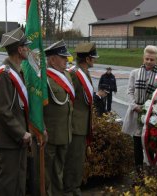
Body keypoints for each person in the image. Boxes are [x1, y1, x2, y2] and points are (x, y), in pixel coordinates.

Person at [0, 27, 33, 196]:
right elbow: (2, 110)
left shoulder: (16, 70)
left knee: (18, 182)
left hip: (17, 138)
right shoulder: (5, 74)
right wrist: (22, 133)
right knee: (6, 185)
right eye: (26, 46)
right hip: (8, 139)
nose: (28, 49)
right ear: (19, 50)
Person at [63, 42, 99, 196]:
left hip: (82, 123)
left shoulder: (83, 72)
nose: (95, 61)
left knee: (78, 160)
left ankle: (75, 187)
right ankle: (70, 189)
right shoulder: (74, 74)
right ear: (89, 59)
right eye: (93, 58)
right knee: (73, 160)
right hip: (75, 124)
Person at [43, 40, 75, 196]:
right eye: (63, 57)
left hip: (65, 132)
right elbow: (38, 109)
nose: (66, 60)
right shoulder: (43, 78)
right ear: (52, 59)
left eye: (66, 57)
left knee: (59, 171)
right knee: (46, 173)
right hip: (49, 134)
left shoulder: (67, 75)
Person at [122, 45, 157, 173]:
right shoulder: (134, 73)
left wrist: (149, 108)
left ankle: (150, 168)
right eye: (147, 59)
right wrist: (134, 106)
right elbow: (130, 91)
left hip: (151, 114)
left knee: (150, 143)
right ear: (143, 58)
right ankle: (138, 170)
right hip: (136, 111)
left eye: (152, 59)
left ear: (156, 60)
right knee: (137, 143)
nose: (149, 62)